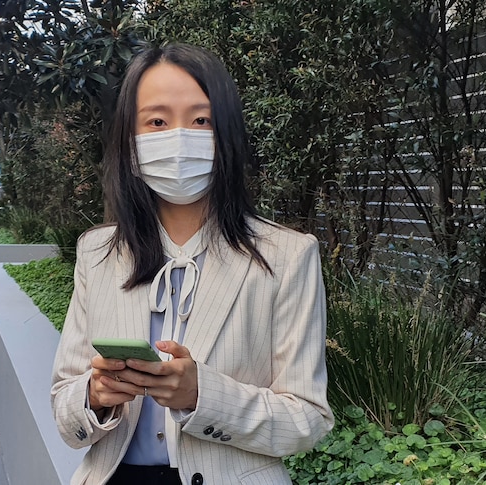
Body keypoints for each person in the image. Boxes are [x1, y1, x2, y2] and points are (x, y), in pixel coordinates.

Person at [50, 43, 334, 485]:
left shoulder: (287, 256)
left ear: (227, 134)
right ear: (131, 139)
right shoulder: (98, 253)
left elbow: (307, 419)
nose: (179, 138)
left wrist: (202, 394)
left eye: (201, 120)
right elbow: (64, 404)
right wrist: (96, 395)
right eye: (157, 121)